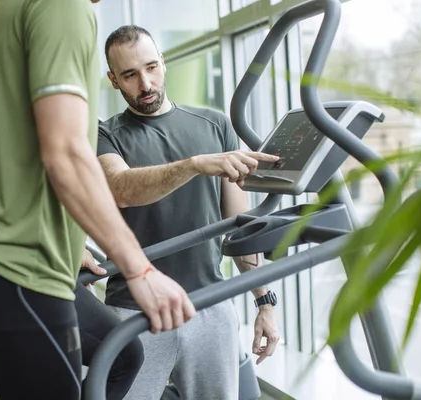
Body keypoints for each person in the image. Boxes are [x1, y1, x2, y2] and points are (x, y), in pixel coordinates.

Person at [0, 0, 196, 399]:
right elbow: (64, 152)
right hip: (18, 262)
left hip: (18, 255)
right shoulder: (63, 7)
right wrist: (140, 271)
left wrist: (70, 233)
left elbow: (22, 145)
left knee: (122, 355)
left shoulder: (3, 11)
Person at [97, 25, 282, 400]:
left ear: (163, 62)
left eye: (151, 67)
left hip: (209, 304)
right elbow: (121, 189)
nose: (145, 83)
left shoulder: (215, 125)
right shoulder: (105, 135)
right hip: (135, 311)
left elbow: (239, 228)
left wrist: (264, 302)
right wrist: (194, 165)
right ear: (113, 80)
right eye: (130, 75)